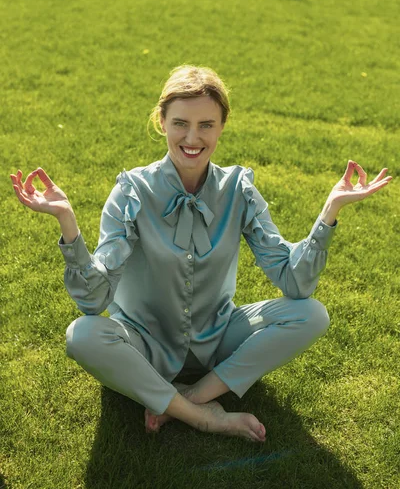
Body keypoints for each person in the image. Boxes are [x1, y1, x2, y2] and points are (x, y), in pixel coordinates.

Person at [10, 65, 392, 444]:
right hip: (144, 345)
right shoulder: (132, 192)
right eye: (180, 123)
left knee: (311, 314)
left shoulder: (238, 190)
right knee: (83, 335)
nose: (192, 137)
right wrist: (67, 222)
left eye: (206, 125)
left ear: (222, 126)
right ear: (161, 122)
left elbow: (296, 282)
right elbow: (93, 301)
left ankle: (193, 396)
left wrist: (330, 212)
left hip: (219, 337)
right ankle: (202, 417)